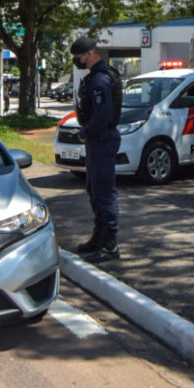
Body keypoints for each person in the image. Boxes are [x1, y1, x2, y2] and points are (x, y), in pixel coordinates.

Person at [70, 36, 123, 263]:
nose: (77, 61)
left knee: (103, 193)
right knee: (94, 190)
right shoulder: (97, 76)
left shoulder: (101, 79)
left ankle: (110, 245)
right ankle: (99, 237)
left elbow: (103, 113)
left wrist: (85, 132)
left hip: (102, 139)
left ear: (90, 53)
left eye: (78, 57)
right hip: (98, 140)